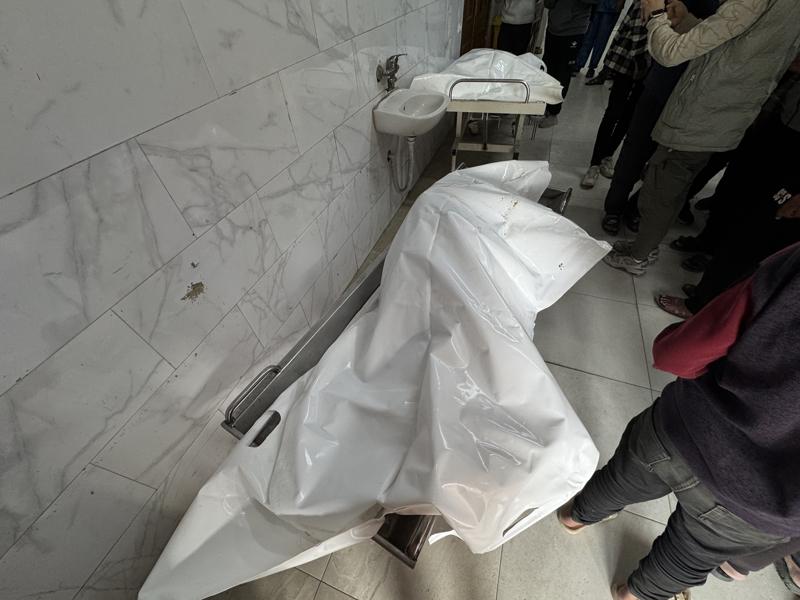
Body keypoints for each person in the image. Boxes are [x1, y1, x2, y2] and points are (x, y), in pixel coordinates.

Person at [558, 242, 800, 600]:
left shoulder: (793, 265)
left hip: (683, 427)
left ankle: (576, 516)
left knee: (621, 477)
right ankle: (633, 595)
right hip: (762, 504)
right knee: (686, 558)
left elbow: (677, 354)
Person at [604, 0, 800, 276]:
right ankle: (646, 245)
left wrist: (655, 14)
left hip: (701, 113)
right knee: (675, 189)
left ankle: (639, 257)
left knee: (661, 190)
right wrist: (686, 21)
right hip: (726, 115)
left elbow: (670, 53)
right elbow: (732, 45)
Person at [598, 0, 719, 235]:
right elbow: (658, 17)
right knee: (635, 149)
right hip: (663, 80)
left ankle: (636, 209)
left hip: (695, 93)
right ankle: (614, 208)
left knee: (664, 160)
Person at [581, 2, 651, 189]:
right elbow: (635, 33)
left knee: (629, 116)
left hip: (648, 68)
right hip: (626, 61)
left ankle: (607, 156)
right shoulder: (645, 3)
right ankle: (594, 164)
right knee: (613, 113)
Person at [541, 0, 593, 127]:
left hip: (573, 30)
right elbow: (548, 4)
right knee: (548, 68)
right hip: (553, 26)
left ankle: (553, 113)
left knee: (563, 73)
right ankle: (543, 107)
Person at [575, 0, 623, 79]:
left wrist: (619, 5)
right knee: (588, 37)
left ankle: (591, 67)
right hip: (596, 5)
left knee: (601, 40)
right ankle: (579, 63)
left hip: (611, 7)